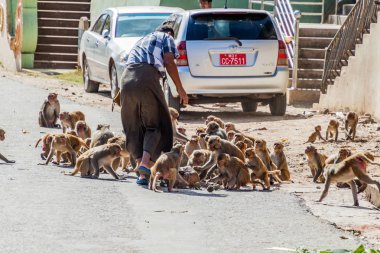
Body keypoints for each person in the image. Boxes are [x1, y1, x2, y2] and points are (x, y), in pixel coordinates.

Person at [120, 25, 188, 185]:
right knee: (156, 124)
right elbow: (169, 61)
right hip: (147, 77)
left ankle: (142, 174)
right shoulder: (166, 37)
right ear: (170, 33)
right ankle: (144, 163)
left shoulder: (141, 40)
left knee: (134, 126)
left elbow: (127, 63)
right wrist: (180, 88)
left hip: (126, 79)